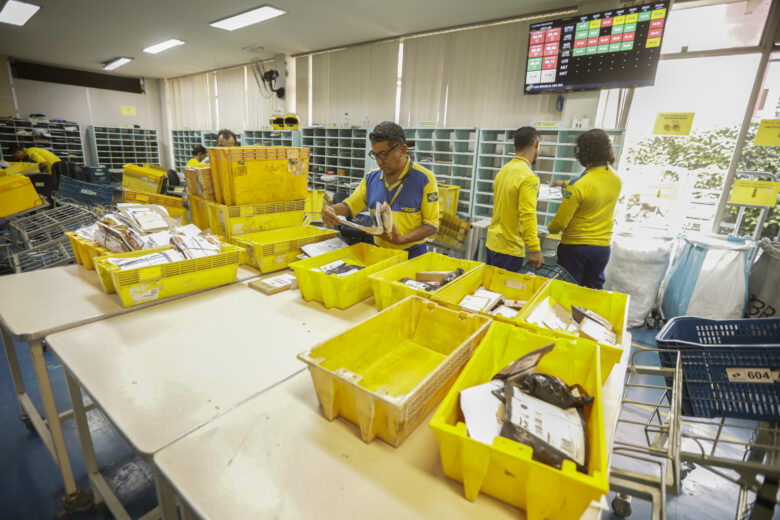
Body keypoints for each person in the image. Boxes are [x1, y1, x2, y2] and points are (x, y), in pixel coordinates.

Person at [321, 121, 439, 259]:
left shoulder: (424, 179)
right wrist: (331, 210)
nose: (379, 161)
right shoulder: (371, 178)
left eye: (383, 154)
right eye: (375, 154)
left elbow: (431, 225)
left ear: (402, 149)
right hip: (379, 251)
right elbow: (349, 206)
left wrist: (401, 240)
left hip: (412, 254)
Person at [547, 128, 622, 290]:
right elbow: (594, 186)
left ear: (582, 152)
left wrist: (548, 228)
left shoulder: (578, 186)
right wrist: (562, 183)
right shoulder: (616, 179)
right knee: (593, 291)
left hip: (575, 248)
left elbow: (559, 224)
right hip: (602, 248)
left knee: (568, 289)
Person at [485, 127, 544, 272]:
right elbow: (528, 213)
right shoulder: (529, 177)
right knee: (505, 293)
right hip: (509, 248)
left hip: (492, 244)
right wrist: (535, 248)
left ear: (515, 146)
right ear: (536, 144)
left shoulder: (504, 170)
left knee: (491, 291)